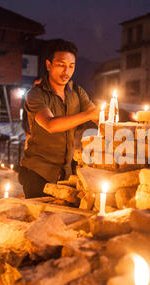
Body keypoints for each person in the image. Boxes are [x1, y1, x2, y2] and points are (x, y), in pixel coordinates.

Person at [19, 40, 100, 198]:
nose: (66, 71)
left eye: (71, 65)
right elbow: (50, 125)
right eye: (61, 65)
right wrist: (89, 115)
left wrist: (108, 119)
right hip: (38, 173)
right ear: (48, 65)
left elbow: (98, 116)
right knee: (39, 220)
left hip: (66, 174)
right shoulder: (35, 94)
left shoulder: (77, 92)